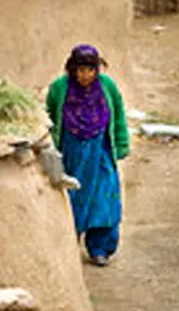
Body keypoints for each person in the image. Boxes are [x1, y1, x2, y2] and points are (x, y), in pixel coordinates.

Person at [45, 44, 130, 266]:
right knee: (73, 198)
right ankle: (68, 243)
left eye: (90, 70)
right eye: (80, 70)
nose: (85, 76)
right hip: (72, 156)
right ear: (72, 69)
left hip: (100, 153)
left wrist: (122, 143)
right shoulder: (59, 88)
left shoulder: (107, 86)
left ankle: (100, 248)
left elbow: (118, 115)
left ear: (97, 69)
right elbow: (49, 118)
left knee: (105, 198)